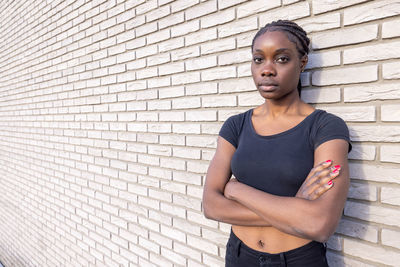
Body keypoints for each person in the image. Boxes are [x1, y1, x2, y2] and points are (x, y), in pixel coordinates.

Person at [202, 20, 352, 267]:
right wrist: (295, 210)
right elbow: (210, 205)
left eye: (281, 59)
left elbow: (319, 225)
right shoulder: (235, 126)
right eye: (258, 59)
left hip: (298, 260)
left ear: (302, 63)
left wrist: (235, 190)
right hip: (239, 256)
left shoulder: (325, 127)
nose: (267, 69)